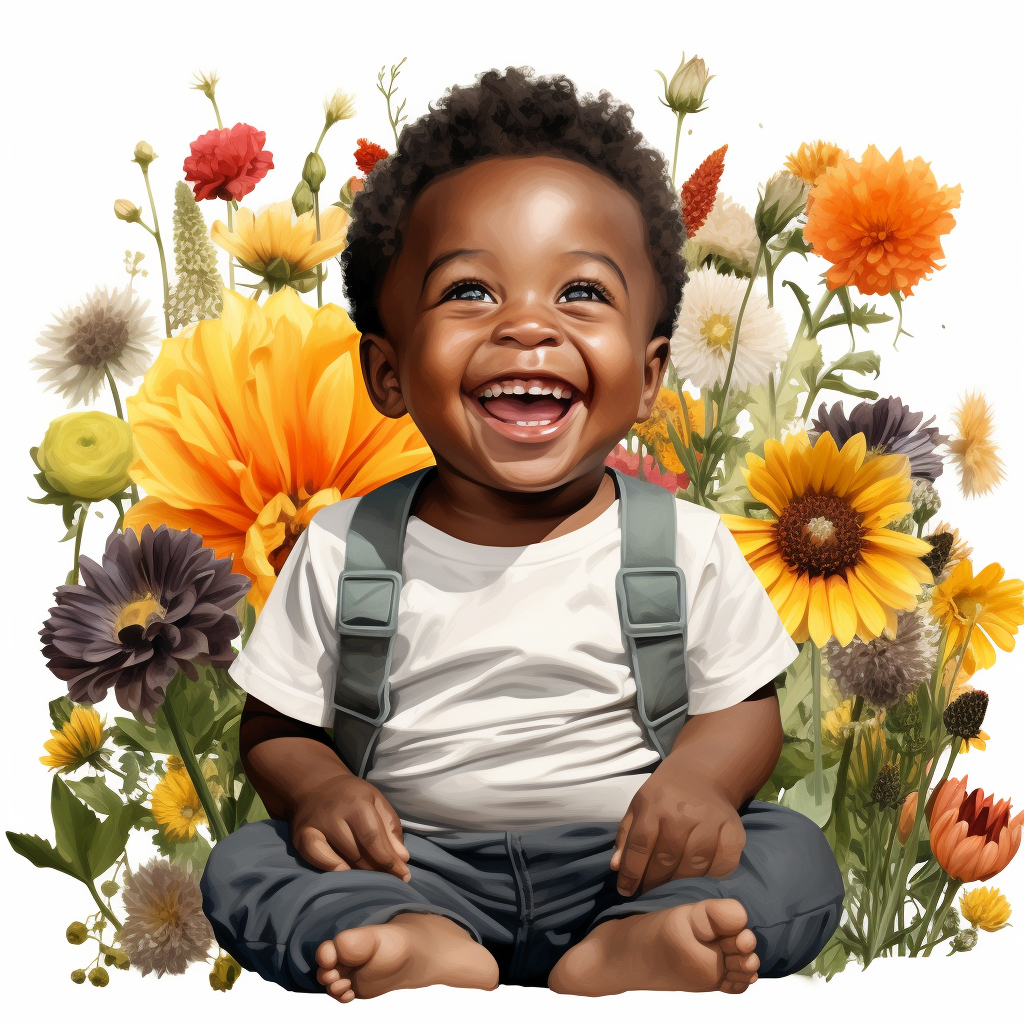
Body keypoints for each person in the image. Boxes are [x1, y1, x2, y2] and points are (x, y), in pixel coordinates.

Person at [200, 66, 844, 1001]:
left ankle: (636, 948)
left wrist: (701, 787)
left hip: (634, 861)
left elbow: (746, 708)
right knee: (248, 864)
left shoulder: (685, 543)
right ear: (387, 371)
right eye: (469, 292)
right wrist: (320, 792)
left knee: (791, 852)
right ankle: (409, 943)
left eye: (581, 293)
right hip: (415, 866)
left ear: (652, 372)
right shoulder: (345, 548)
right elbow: (276, 727)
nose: (528, 328)